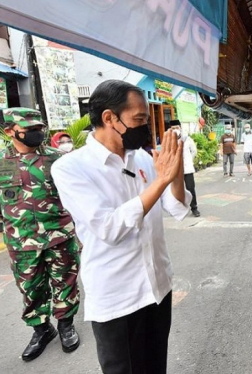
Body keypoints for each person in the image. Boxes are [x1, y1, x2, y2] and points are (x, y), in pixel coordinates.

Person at [51, 80, 191, 374]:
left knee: (155, 367)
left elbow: (177, 207)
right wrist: (161, 180)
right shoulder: (70, 168)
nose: (146, 126)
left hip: (157, 288)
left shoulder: (142, 158)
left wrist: (175, 173)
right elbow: (109, 228)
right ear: (109, 118)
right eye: (139, 119)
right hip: (117, 297)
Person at [0, 108, 80, 361]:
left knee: (65, 281)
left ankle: (66, 325)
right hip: (21, 240)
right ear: (10, 131)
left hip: (59, 234)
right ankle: (41, 330)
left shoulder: (58, 158)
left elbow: (75, 194)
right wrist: (17, 221)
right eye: (29, 130)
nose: (36, 134)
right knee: (30, 287)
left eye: (39, 129)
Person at [169, 119, 200, 217]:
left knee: (190, 188)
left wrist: (189, 161)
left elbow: (194, 151)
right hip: (176, 170)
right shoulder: (169, 140)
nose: (175, 130)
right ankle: (178, 209)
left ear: (180, 128)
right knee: (176, 190)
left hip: (187, 169)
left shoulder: (187, 139)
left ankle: (194, 208)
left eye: (176, 128)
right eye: (173, 128)